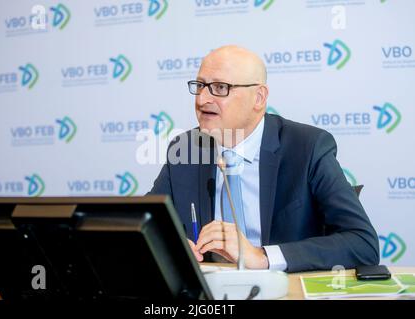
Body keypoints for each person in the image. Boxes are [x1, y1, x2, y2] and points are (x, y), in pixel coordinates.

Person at [148, 45, 379, 272]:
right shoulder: (186, 149)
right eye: (200, 86)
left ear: (258, 97)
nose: (201, 99)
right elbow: (146, 225)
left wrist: (261, 257)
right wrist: (169, 247)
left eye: (220, 87)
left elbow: (362, 243)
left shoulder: (307, 147)